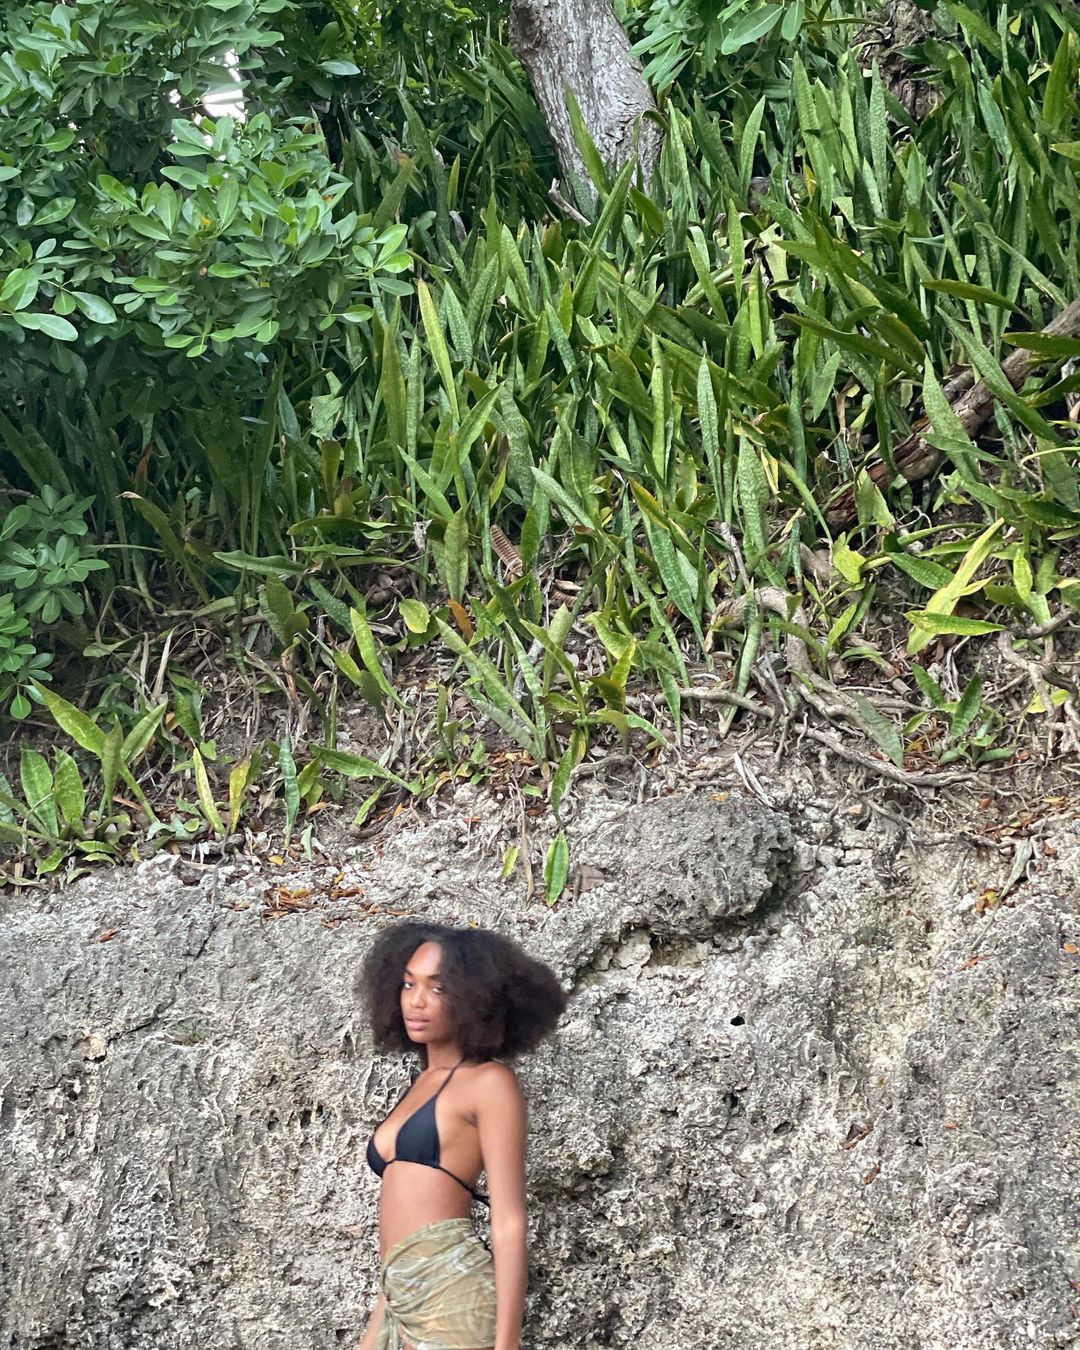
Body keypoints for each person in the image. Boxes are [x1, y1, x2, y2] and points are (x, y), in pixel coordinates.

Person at [355, 919, 568, 1350]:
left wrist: (507, 1344)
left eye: (438, 989)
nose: (416, 1001)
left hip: (455, 1297)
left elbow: (508, 1219)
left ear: (475, 999)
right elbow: (399, 1240)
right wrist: (374, 1332)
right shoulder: (422, 1083)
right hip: (400, 1300)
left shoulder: (489, 1084)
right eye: (408, 984)